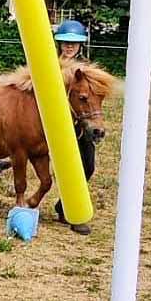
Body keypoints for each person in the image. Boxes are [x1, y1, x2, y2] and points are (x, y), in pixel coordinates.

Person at [52, 19, 94, 235]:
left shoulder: (86, 67)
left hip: (80, 125)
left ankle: (63, 205)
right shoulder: (51, 63)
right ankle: (71, 213)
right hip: (57, 124)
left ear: (80, 45)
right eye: (66, 42)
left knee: (88, 166)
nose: (69, 46)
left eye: (73, 43)